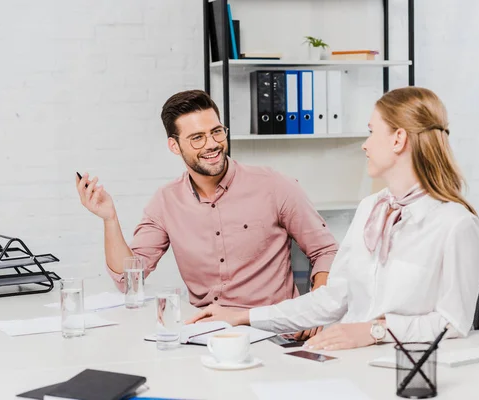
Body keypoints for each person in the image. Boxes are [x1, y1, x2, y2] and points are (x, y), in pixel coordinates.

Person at [187, 87, 479, 350]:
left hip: (401, 370)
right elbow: (333, 299)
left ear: (398, 139)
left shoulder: (455, 224)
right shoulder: (372, 208)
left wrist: (374, 331)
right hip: (345, 358)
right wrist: (243, 316)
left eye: (371, 131)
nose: (364, 144)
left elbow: (454, 323)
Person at [76, 90, 338, 339]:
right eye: (197, 137)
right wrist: (109, 218)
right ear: (174, 146)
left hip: (274, 332)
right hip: (206, 334)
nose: (212, 144)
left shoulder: (274, 186)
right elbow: (128, 280)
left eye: (216, 132)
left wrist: (315, 310)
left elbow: (325, 250)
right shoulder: (166, 201)